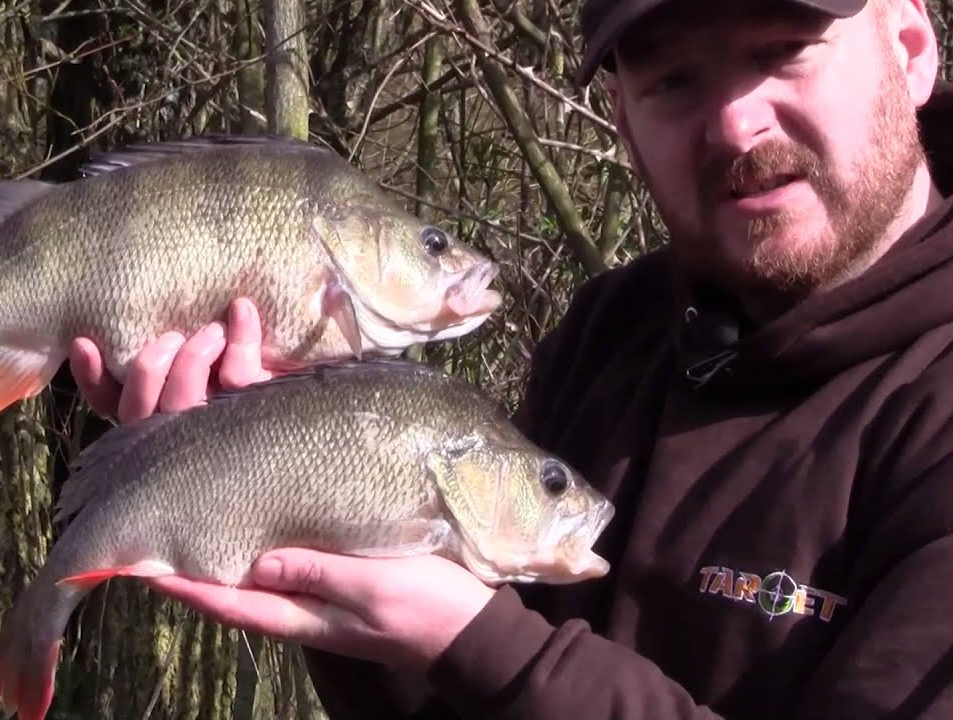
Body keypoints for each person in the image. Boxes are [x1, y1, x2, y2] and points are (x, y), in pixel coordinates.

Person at [67, 0, 953, 715]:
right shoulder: (611, 333)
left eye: (783, 50)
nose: (734, 123)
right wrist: (302, 506)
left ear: (911, 48)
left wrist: (488, 646)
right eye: (674, 81)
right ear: (624, 123)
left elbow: (487, 653)